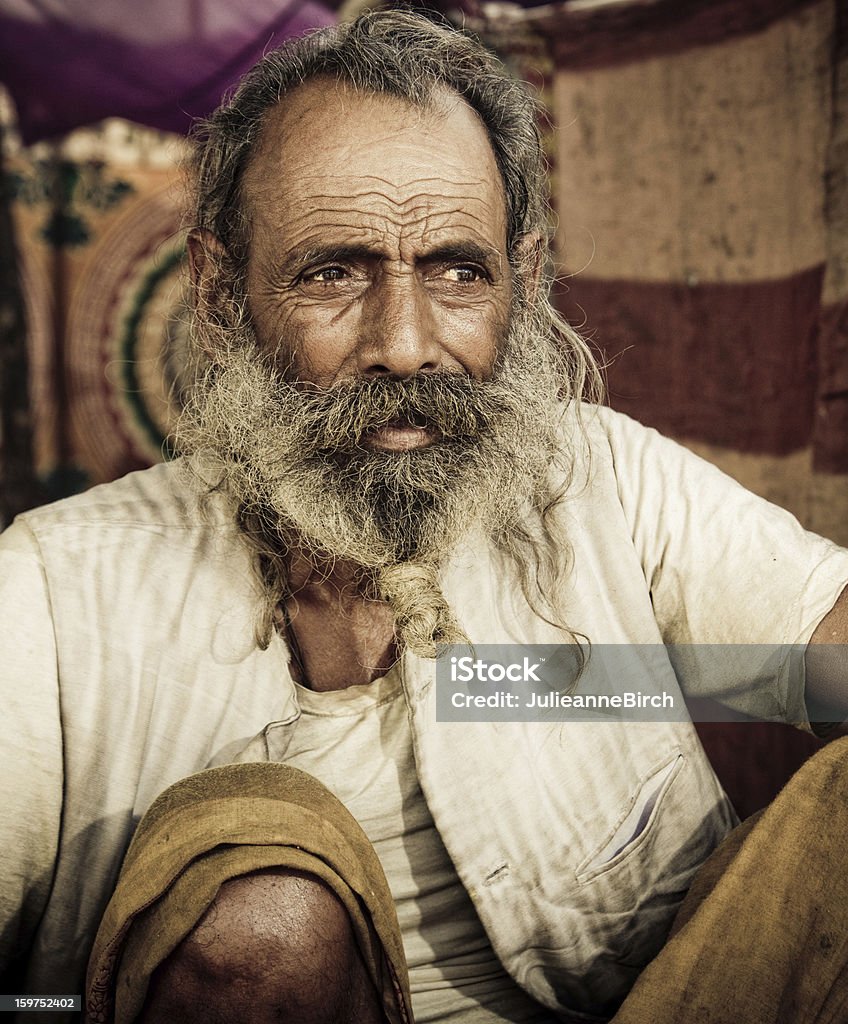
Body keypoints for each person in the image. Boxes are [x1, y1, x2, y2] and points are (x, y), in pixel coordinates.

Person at [1, 9, 847, 1022]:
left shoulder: (596, 483)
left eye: (457, 270)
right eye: (333, 272)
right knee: (268, 904)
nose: (403, 344)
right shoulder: (54, 593)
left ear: (521, 285)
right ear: (220, 295)